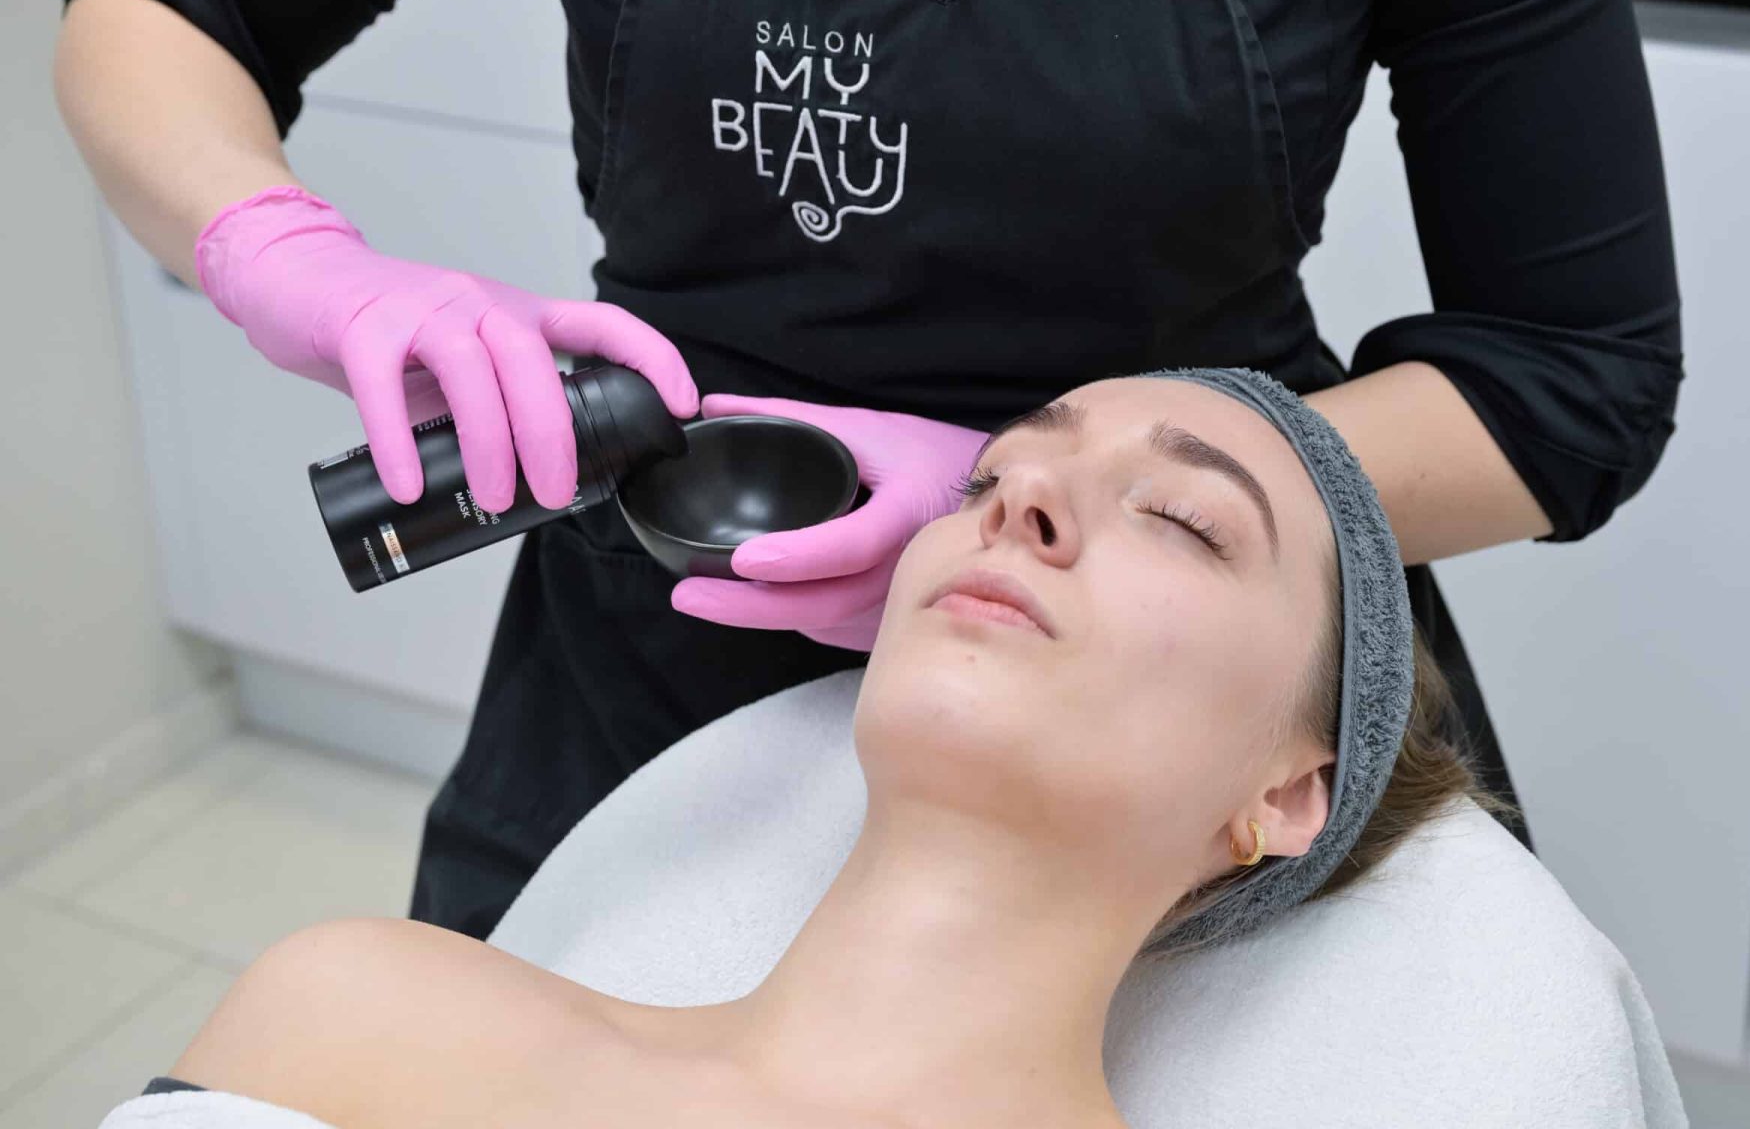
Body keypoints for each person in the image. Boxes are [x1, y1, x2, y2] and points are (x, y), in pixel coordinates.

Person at [53, 0, 1683, 940]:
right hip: (671, 617)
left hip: (1164, 692)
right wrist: (286, 257)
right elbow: (165, 3)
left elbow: (1572, 378)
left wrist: (1067, 495)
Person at [118, 371, 1514, 1129]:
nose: (1018, 501)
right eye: (989, 478)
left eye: (1186, 521)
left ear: (1287, 794)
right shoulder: (362, 1007)